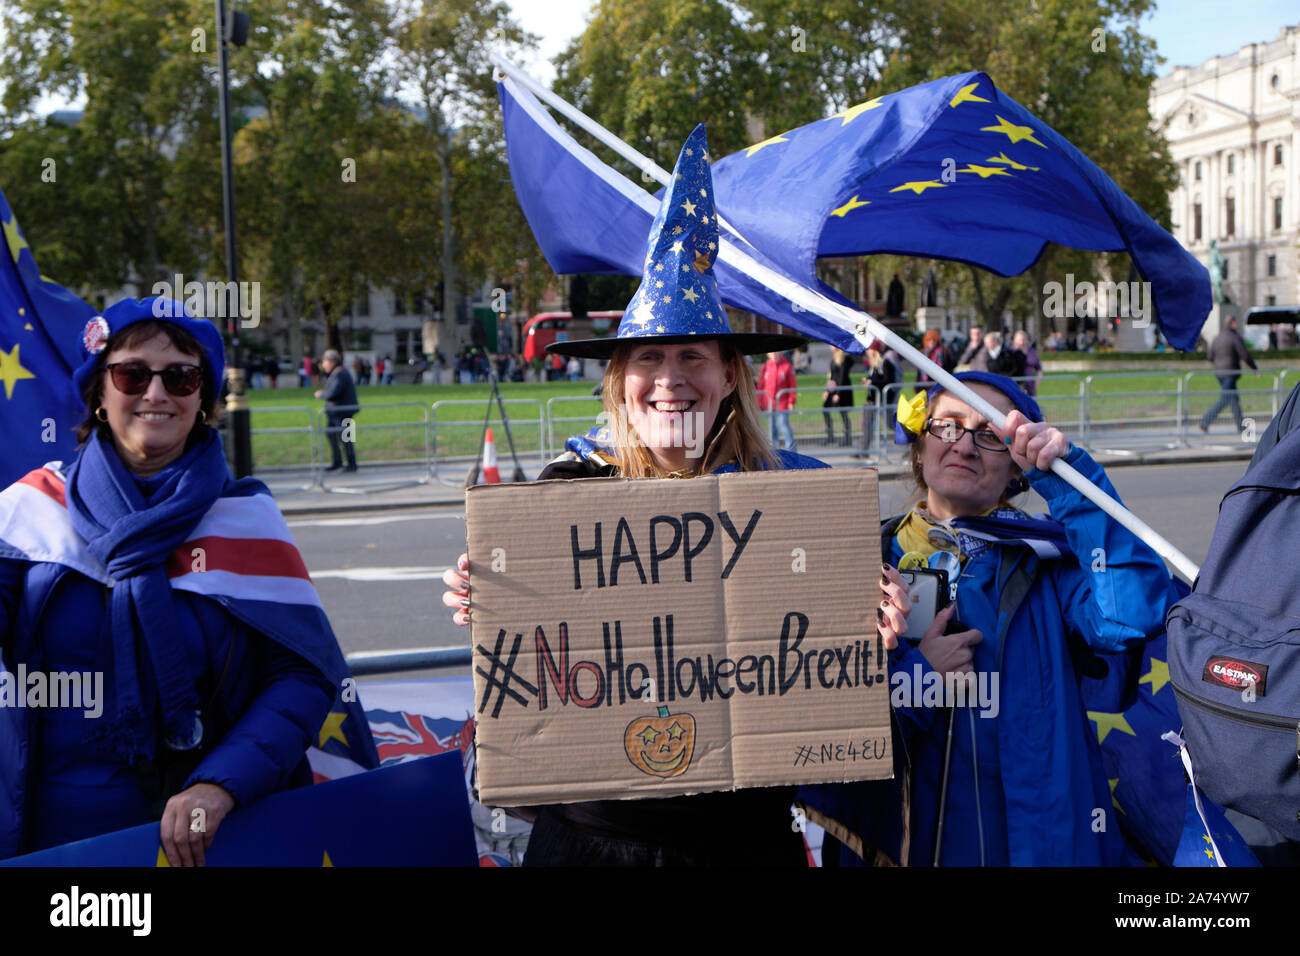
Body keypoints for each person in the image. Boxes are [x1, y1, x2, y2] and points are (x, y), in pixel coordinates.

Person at [442, 127, 828, 867]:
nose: (671, 378)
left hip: (742, 842)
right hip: (596, 842)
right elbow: (533, 654)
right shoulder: (566, 494)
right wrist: (482, 598)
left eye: (693, 356)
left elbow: (822, 661)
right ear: (620, 382)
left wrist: (866, 627)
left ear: (729, 379)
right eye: (649, 357)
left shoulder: (793, 500)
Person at [0, 297, 368, 865]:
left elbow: (302, 676)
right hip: (52, 842)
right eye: (131, 373)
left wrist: (220, 785)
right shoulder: (29, 511)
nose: (155, 393)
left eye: (180, 376)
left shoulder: (247, 521)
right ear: (99, 392)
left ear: (203, 400)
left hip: (211, 839)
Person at [869, 371, 1173, 865]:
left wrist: (1073, 481)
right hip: (911, 843)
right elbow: (830, 729)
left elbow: (1135, 612)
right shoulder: (864, 560)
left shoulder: (1049, 562)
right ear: (920, 449)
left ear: (1017, 467)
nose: (964, 446)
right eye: (947, 426)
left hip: (1039, 845)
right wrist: (920, 681)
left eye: (990, 434)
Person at [1199, 316, 1259, 434]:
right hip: (1230, 373)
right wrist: (1254, 368)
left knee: (1234, 400)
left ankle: (1241, 427)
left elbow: (1210, 357)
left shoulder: (1217, 338)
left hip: (1220, 373)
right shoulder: (1234, 337)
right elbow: (1244, 355)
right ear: (1232, 324)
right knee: (1226, 399)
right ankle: (1204, 421)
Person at [315, 349, 359, 472]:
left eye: (325, 362)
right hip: (335, 413)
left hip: (343, 412)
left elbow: (333, 392)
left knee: (346, 438)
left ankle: (351, 464)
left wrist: (321, 394)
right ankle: (338, 461)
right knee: (332, 435)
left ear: (332, 362)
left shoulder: (339, 373)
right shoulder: (337, 373)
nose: (323, 365)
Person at [757, 350, 798, 451]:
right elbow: (761, 386)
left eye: (776, 353)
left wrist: (791, 401)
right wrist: (759, 402)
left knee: (783, 426)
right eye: (771, 353)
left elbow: (792, 385)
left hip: (782, 403)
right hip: (768, 403)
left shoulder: (787, 367)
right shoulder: (765, 368)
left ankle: (791, 449)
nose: (774, 355)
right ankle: (774, 451)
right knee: (772, 429)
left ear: (780, 354)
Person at [859, 341, 895, 454]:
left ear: (874, 351)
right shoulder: (873, 366)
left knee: (891, 424)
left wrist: (871, 382)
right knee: (866, 424)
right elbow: (875, 379)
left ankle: (909, 442)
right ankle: (864, 450)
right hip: (872, 400)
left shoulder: (884, 363)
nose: (867, 352)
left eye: (868, 349)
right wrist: (868, 380)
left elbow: (887, 380)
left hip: (883, 400)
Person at [822, 347, 855, 446]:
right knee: (825, 410)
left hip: (842, 391)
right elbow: (832, 377)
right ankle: (830, 436)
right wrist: (827, 391)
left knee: (843, 413)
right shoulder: (834, 359)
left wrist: (838, 393)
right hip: (833, 390)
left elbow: (842, 378)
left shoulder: (843, 360)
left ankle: (848, 438)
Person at [1012, 330, 1041, 396]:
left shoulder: (1031, 352)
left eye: (1024, 340)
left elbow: (1039, 368)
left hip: (1030, 383)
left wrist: (1038, 380)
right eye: (1019, 340)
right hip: (1015, 383)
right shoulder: (1010, 352)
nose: (1022, 342)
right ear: (1015, 340)